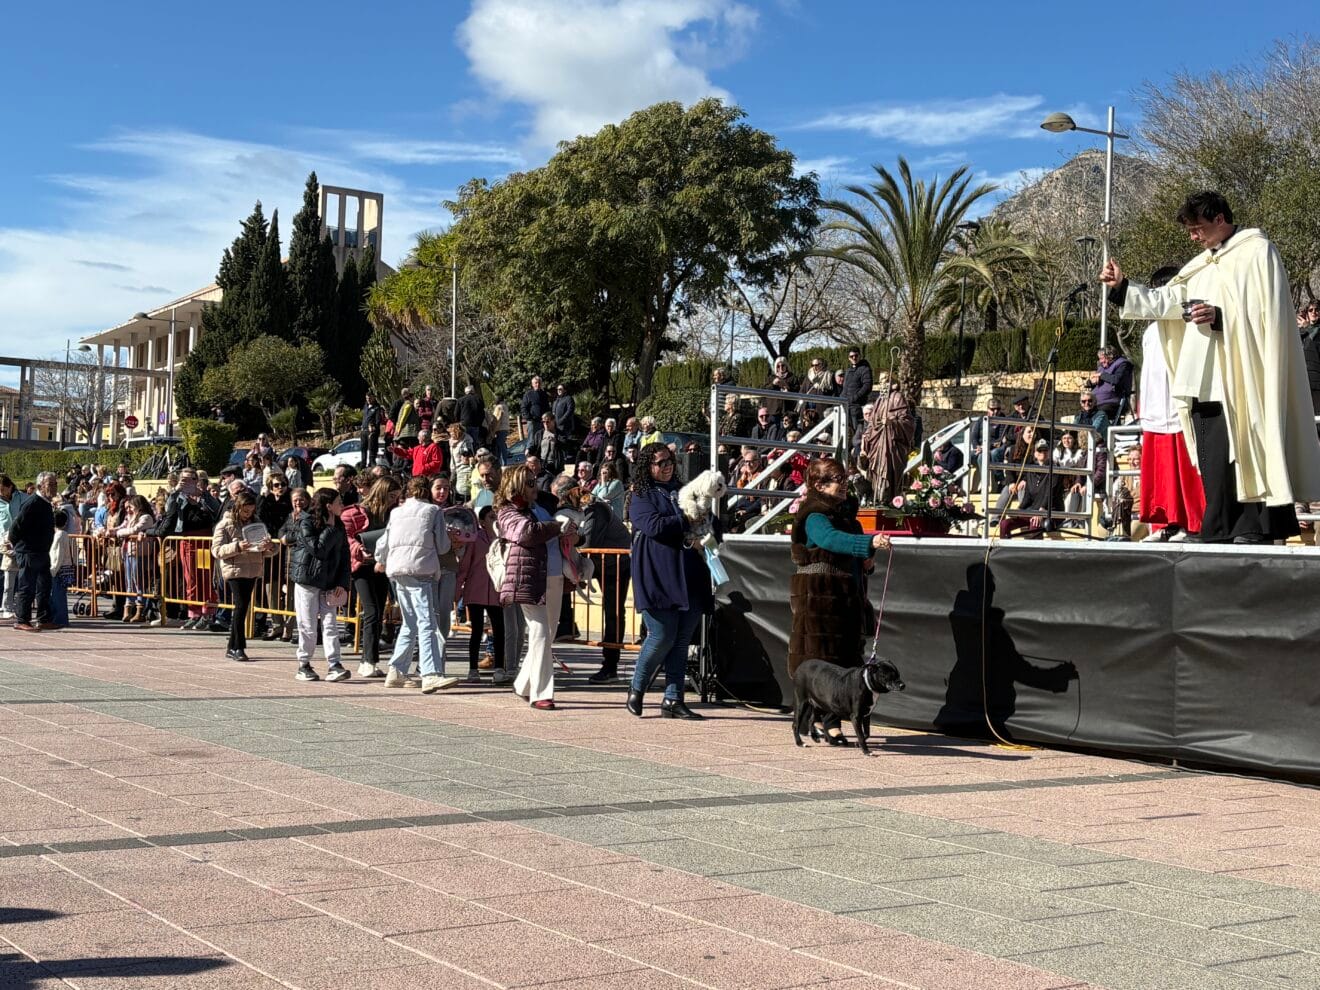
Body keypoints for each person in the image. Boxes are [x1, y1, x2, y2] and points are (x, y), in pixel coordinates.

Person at [1102, 190, 1320, 543]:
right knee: (1213, 459)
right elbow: (1167, 301)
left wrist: (1221, 317)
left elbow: (1269, 315)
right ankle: (1217, 527)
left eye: (1197, 228)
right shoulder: (1200, 265)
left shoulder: (1256, 252)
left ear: (1220, 219)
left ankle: (1255, 528)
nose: (1193, 237)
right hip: (1204, 378)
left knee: (1250, 451)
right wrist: (1124, 288)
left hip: (1245, 374)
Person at [788, 457, 888, 744]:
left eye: (844, 480)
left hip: (847, 597)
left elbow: (856, 552)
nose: (844, 485)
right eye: (836, 480)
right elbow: (830, 540)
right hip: (819, 599)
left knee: (845, 659)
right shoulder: (814, 515)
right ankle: (826, 722)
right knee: (824, 660)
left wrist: (868, 560)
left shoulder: (849, 518)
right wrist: (868, 542)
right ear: (818, 484)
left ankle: (827, 721)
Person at [625, 443, 712, 720]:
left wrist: (704, 521)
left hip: (689, 573)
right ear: (647, 467)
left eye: (670, 461)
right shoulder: (641, 494)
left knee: (682, 640)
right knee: (661, 635)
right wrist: (685, 518)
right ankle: (637, 688)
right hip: (658, 573)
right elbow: (652, 526)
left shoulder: (683, 490)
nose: (667, 466)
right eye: (660, 462)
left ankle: (673, 699)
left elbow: (707, 518)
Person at [1135, 265, 1206, 543]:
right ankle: (1166, 522)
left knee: (1185, 470)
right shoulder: (1149, 332)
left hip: (1180, 408)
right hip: (1155, 409)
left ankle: (1192, 523)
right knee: (1161, 472)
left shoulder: (1186, 327)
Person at [496, 464, 575, 710]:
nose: (535, 486)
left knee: (546, 636)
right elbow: (527, 533)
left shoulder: (540, 508)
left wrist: (571, 532)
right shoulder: (506, 512)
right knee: (540, 632)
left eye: (535, 481)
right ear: (516, 485)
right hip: (528, 579)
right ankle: (542, 693)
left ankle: (523, 684)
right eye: (529, 483)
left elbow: (557, 533)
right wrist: (557, 527)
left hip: (553, 576)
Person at [373, 476, 460, 693]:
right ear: (426, 492)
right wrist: (451, 541)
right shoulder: (433, 511)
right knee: (427, 622)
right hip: (420, 570)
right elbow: (441, 546)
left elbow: (383, 542)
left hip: (397, 569)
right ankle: (430, 674)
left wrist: (381, 560)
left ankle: (397, 670)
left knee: (410, 622)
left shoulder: (396, 512)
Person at [289, 487, 353, 682]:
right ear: (328, 506)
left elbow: (344, 555)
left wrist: (343, 582)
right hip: (307, 580)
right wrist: (330, 529)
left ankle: (334, 663)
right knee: (307, 624)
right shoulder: (306, 521)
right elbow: (318, 550)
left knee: (330, 623)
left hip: (330, 582)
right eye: (338, 502)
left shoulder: (339, 525)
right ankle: (304, 664)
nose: (342, 505)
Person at [342, 476, 400, 678]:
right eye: (392, 495)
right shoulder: (355, 512)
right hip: (362, 566)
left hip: (381, 565)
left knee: (378, 613)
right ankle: (368, 660)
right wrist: (358, 548)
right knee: (372, 612)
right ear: (382, 492)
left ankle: (370, 659)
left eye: (397, 496)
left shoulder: (394, 513)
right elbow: (346, 535)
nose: (395, 500)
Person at [577, 474, 633, 683]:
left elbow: (587, 544)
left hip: (616, 565)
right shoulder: (587, 510)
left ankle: (610, 665)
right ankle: (566, 625)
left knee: (613, 612)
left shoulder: (595, 510)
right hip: (604, 563)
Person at [211, 489, 278, 662]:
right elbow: (216, 550)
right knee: (241, 607)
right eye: (245, 511)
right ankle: (238, 646)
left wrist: (269, 546)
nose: (248, 514)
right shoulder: (224, 525)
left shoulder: (257, 522)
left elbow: (269, 551)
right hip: (235, 570)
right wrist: (238, 546)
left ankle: (231, 647)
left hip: (253, 569)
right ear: (237, 508)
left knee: (243, 607)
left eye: (251, 510)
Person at [155, 468, 220, 630]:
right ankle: (194, 613)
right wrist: (176, 490)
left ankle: (207, 613)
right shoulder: (178, 497)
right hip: (186, 540)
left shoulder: (204, 496)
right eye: (184, 479)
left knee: (204, 577)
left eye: (191, 478)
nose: (187, 482)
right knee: (190, 579)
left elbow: (217, 510)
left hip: (204, 541)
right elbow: (169, 511)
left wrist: (201, 494)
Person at [455, 505, 509, 685]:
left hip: (496, 590)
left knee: (499, 629)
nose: (495, 520)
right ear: (482, 521)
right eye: (492, 517)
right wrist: (458, 588)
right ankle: (472, 669)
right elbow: (465, 565)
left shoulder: (503, 539)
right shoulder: (475, 539)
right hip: (475, 589)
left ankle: (500, 668)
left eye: (497, 517)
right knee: (477, 631)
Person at [11, 472, 57, 632]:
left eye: (55, 484)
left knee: (44, 586)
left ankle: (43, 618)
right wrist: (18, 547)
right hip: (29, 552)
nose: (54, 488)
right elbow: (16, 527)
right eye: (50, 485)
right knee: (26, 586)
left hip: (42, 552)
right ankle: (22, 619)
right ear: (39, 487)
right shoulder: (32, 503)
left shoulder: (46, 504)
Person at [999, 439, 1065, 538]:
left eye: (1045, 450)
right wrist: (1019, 510)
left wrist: (1041, 511)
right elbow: (1027, 496)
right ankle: (1004, 552)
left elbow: (1051, 494)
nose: (1043, 452)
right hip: (1033, 511)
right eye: (1040, 450)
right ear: (1035, 454)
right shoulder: (1031, 471)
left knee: (1035, 524)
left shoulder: (1055, 469)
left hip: (1051, 511)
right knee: (1004, 524)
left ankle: (1034, 553)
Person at [112, 495, 156, 623]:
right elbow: (122, 527)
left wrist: (119, 533)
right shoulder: (130, 517)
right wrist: (109, 531)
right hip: (128, 552)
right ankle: (128, 608)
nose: (128, 510)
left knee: (138, 582)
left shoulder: (146, 518)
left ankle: (139, 609)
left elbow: (134, 530)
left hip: (139, 553)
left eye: (131, 506)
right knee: (129, 581)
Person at [0, 474, 31, 620]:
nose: (0, 493)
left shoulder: (23, 497)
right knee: (8, 577)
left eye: (2, 489)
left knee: (24, 577)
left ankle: (21, 607)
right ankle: (6, 606)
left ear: (10, 486)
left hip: (22, 541)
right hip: (5, 542)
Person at [1087, 345, 1134, 421]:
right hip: (1095, 402)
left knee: (1098, 414)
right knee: (1081, 415)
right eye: (1100, 359)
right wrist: (1091, 382)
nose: (1101, 361)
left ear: (1110, 356)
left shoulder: (1123, 364)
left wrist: (1101, 375)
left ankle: (1096, 432)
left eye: (1102, 358)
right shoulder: (1102, 367)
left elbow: (1116, 380)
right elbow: (1091, 382)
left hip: (1112, 402)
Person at [48, 508, 74, 629]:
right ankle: (60, 618)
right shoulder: (64, 534)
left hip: (59, 569)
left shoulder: (59, 536)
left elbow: (58, 555)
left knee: (58, 595)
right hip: (64, 567)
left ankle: (60, 619)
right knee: (59, 594)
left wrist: (53, 570)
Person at [840, 347, 874, 438]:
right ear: (849, 358)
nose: (854, 358)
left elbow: (867, 386)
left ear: (859, 355)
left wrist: (855, 398)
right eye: (851, 356)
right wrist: (841, 398)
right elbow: (845, 388)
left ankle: (857, 449)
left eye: (856, 355)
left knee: (857, 431)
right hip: (845, 404)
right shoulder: (848, 371)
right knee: (844, 429)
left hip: (856, 406)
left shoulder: (865, 369)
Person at [520, 375, 551, 450]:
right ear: (532, 384)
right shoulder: (528, 394)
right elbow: (523, 407)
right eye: (536, 383)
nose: (538, 384)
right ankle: (530, 459)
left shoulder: (544, 394)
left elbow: (547, 408)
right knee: (532, 441)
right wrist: (530, 418)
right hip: (533, 422)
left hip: (544, 422)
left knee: (543, 440)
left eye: (539, 383)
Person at [360, 392, 383, 468]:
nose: (368, 400)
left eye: (370, 398)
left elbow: (378, 420)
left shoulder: (377, 408)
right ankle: (363, 464)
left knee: (371, 448)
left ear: (373, 397)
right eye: (367, 398)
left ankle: (371, 464)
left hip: (371, 431)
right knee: (363, 448)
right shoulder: (365, 406)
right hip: (364, 430)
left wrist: (374, 428)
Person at [490, 397, 511, 464]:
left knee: (500, 446)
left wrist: (493, 430)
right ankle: (503, 462)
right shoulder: (505, 407)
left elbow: (497, 419)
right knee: (502, 446)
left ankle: (503, 463)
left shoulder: (498, 407)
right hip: (505, 428)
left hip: (500, 428)